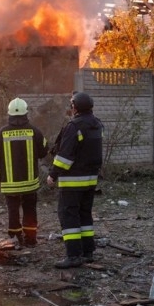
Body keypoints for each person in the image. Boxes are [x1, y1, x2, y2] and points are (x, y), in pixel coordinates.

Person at [46, 92, 103, 269]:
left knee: (68, 215)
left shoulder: (74, 126)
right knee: (85, 214)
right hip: (90, 180)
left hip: (72, 180)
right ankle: (88, 252)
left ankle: (73, 255)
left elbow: (65, 156)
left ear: (74, 107)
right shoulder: (96, 125)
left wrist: (53, 174)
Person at [0, 98, 48, 247]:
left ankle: (15, 238)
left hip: (10, 184)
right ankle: (30, 239)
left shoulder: (1, 133)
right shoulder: (34, 131)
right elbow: (43, 152)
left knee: (13, 211)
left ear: (9, 114)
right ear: (26, 113)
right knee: (30, 209)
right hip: (30, 183)